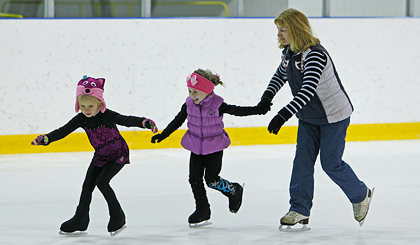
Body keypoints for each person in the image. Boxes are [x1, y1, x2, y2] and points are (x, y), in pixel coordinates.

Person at [257, 9, 373, 228]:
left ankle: (360, 195)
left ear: (296, 30)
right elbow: (280, 74)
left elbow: (307, 90)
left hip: (333, 116)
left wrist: (282, 115)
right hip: (309, 117)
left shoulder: (315, 55)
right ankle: (299, 209)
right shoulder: (290, 53)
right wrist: (266, 98)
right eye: (278, 30)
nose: (279, 34)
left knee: (331, 164)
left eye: (283, 30)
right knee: (302, 161)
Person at [31, 75, 158, 235]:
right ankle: (80, 219)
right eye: (82, 106)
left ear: (100, 103)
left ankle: (118, 217)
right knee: (87, 186)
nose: (87, 110)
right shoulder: (81, 119)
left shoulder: (108, 115)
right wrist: (47, 138)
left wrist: (144, 122)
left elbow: (125, 120)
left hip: (118, 153)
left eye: (91, 105)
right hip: (100, 155)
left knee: (102, 182)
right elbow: (64, 130)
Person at [151, 69, 265, 226]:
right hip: (196, 145)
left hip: (214, 146)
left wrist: (257, 110)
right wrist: (163, 135)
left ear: (207, 91)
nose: (192, 95)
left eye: (196, 92)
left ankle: (233, 189)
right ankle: (203, 210)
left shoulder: (217, 104)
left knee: (211, 180)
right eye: (190, 91)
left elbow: (237, 111)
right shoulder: (188, 104)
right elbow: (178, 121)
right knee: (194, 179)